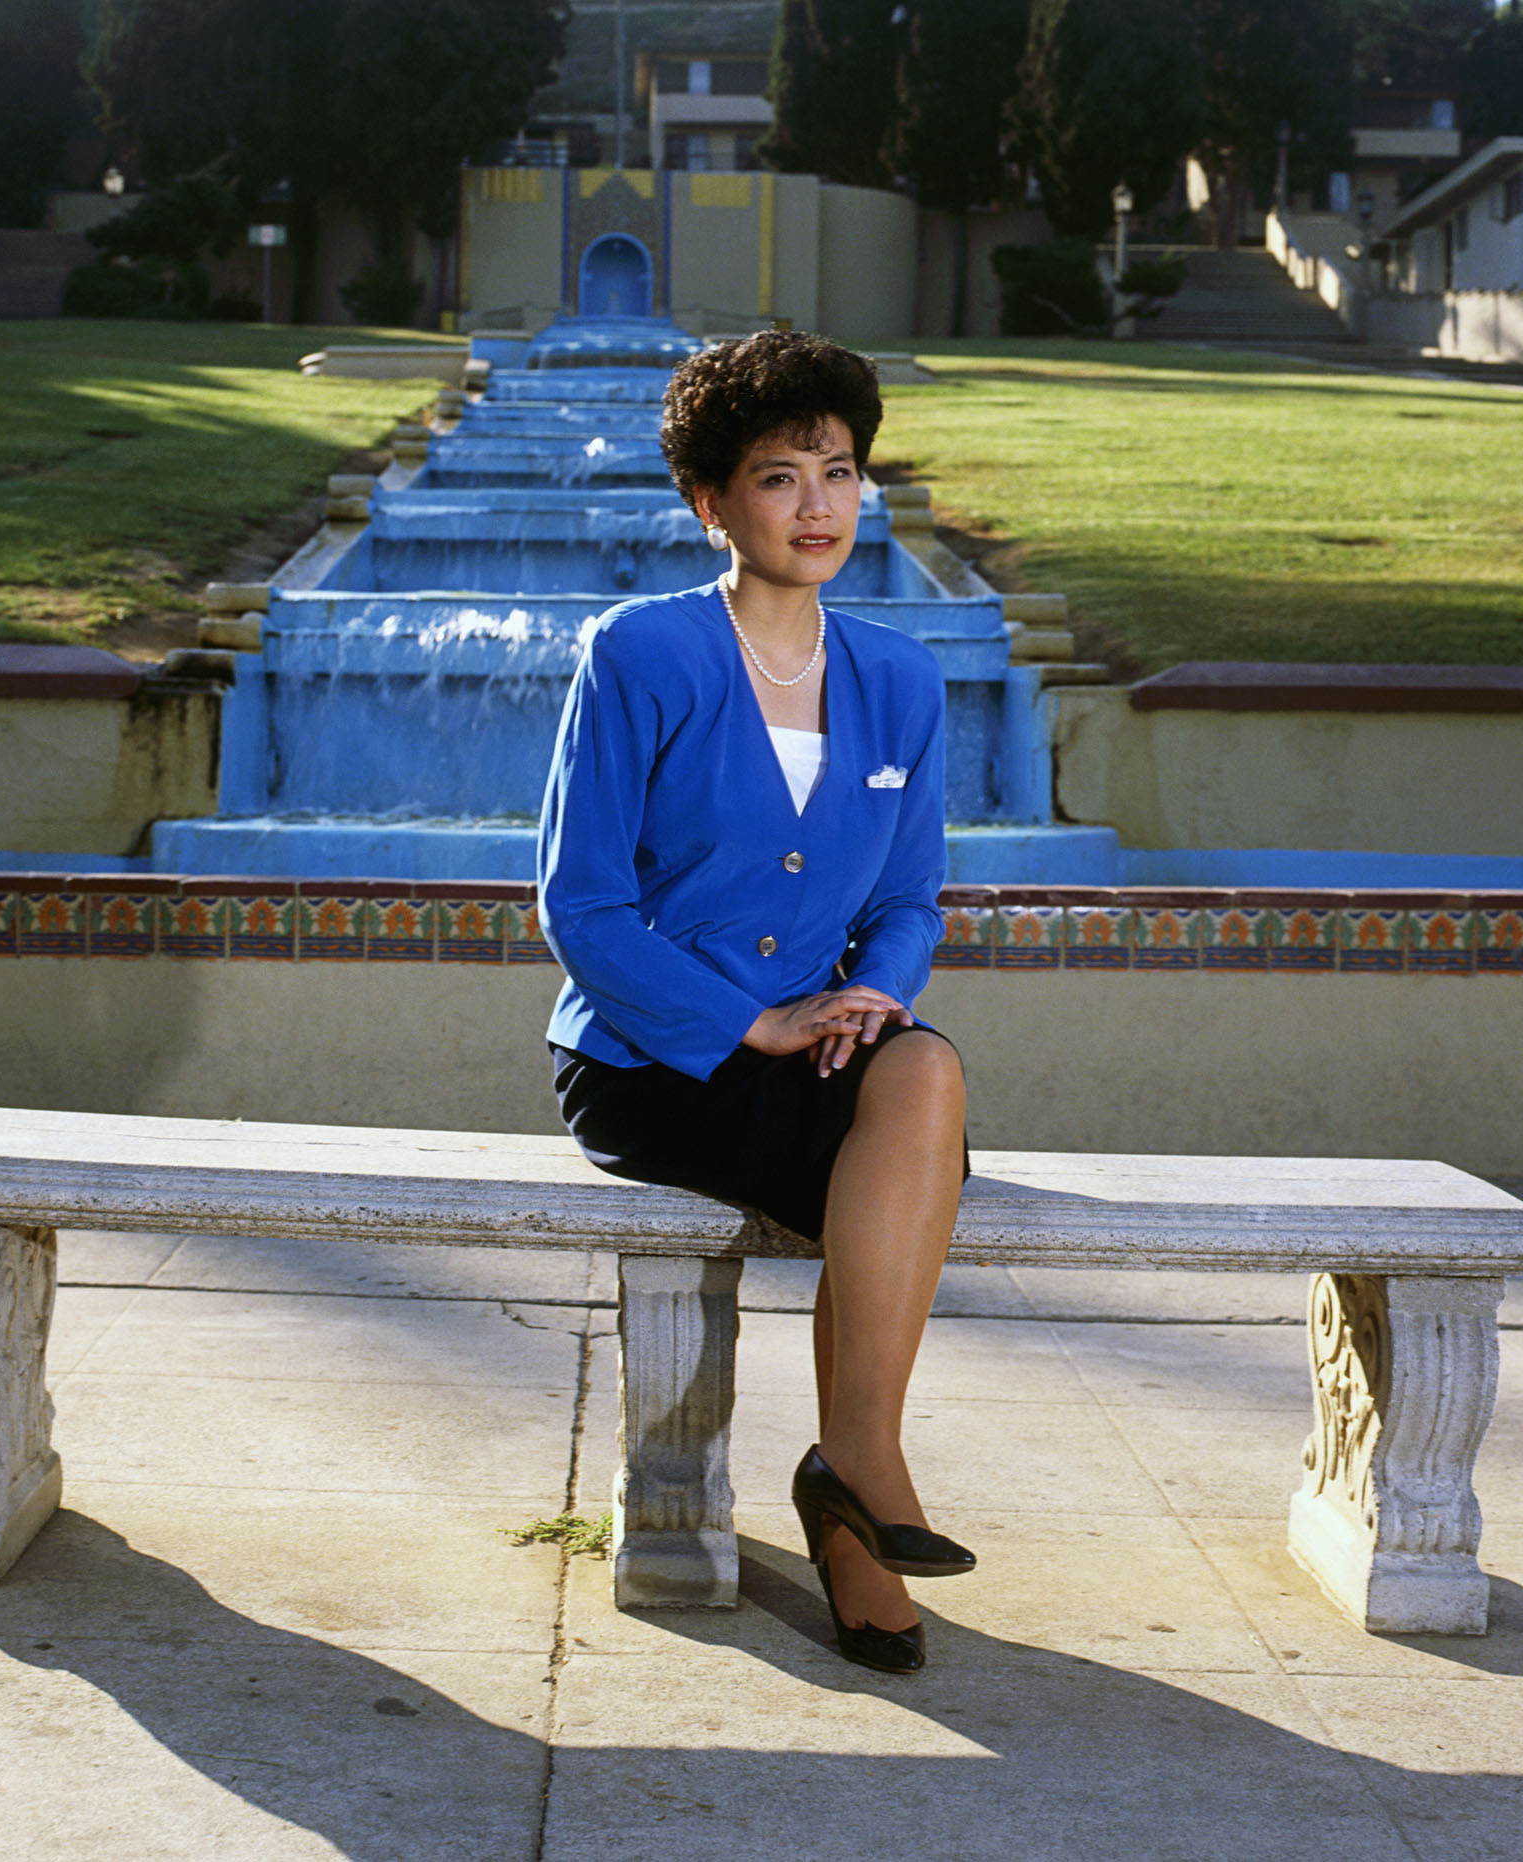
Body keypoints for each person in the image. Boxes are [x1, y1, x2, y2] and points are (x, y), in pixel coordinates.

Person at [537, 330, 973, 1675]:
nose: (820, 505)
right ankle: (859, 1507)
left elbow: (908, 902)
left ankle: (855, 1473)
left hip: (823, 1048)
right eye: (780, 476)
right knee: (888, 1160)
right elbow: (581, 904)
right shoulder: (641, 654)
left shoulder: (902, 679)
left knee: (924, 1072)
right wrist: (750, 1021)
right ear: (711, 502)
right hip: (657, 1058)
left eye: (840, 471)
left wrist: (867, 999)